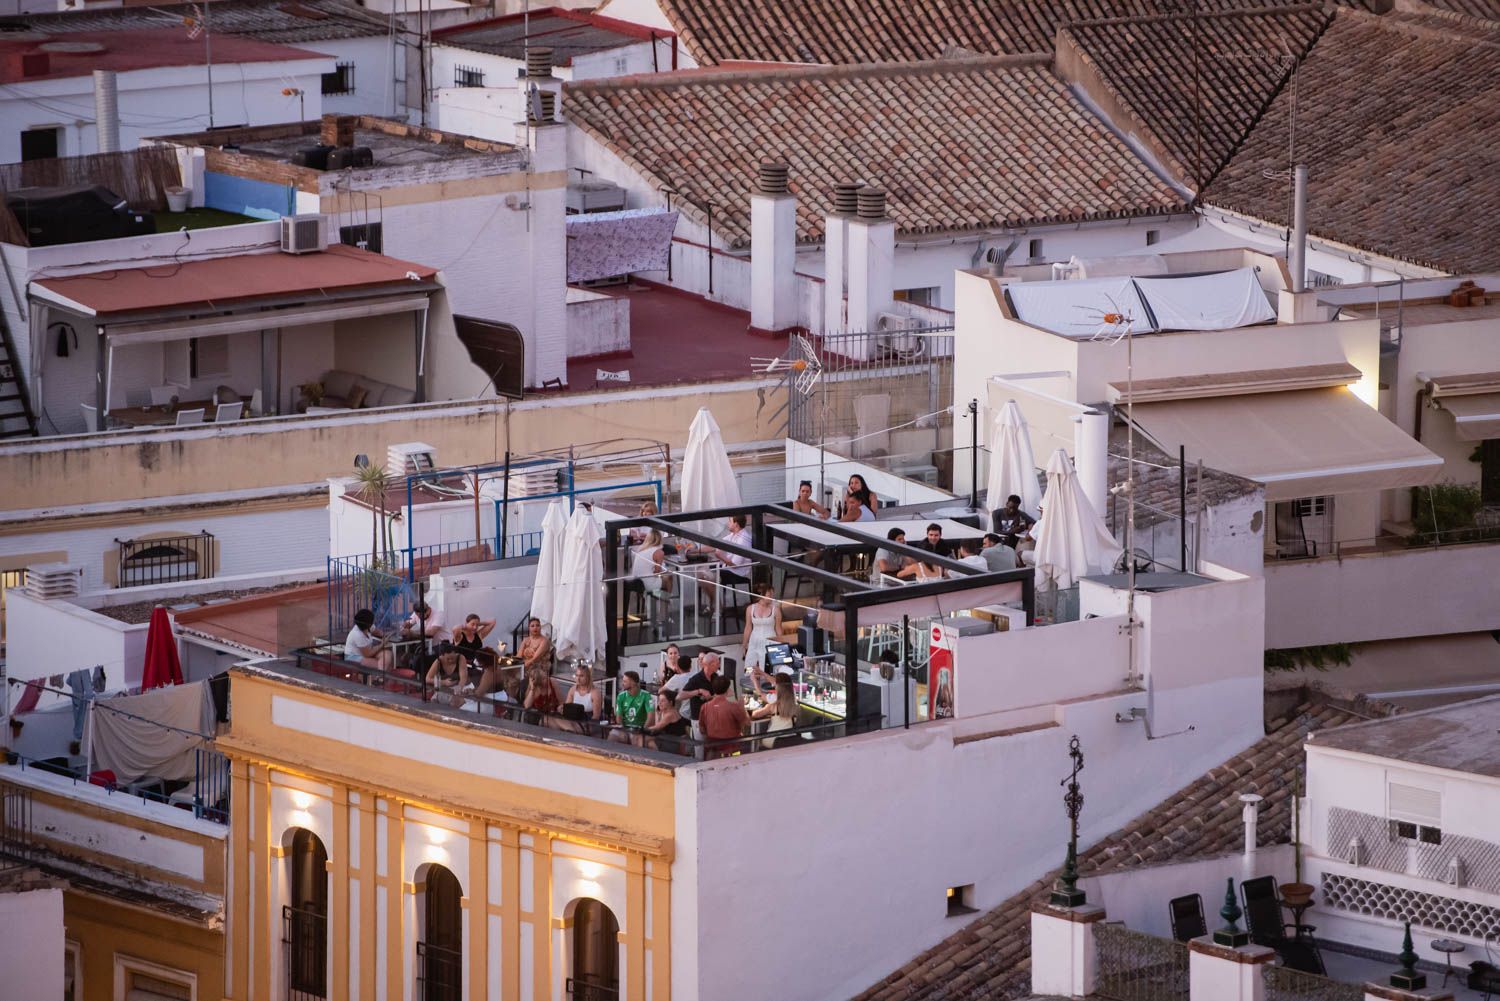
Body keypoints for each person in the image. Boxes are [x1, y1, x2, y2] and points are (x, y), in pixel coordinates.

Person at [741, 582, 782, 693]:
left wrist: (782, 645)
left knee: (766, 669)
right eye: (769, 594)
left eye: (772, 594)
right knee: (749, 665)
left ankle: (765, 692)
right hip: (754, 641)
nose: (771, 597)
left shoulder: (776, 609)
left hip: (770, 641)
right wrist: (744, 644)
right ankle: (749, 691)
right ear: (762, 595)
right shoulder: (750, 609)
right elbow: (748, 627)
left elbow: (778, 628)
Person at [698, 675, 750, 757]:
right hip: (731, 750)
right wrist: (742, 707)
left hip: (712, 751)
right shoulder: (733, 707)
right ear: (728, 689)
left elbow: (702, 730)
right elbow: (747, 723)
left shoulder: (704, 707)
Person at [750, 671, 799, 749]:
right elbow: (782, 684)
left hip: (772, 741)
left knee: (756, 741)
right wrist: (763, 673)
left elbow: (755, 714)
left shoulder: (773, 706)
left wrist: (755, 681)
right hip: (789, 741)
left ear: (777, 688)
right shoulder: (796, 707)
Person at [609, 670, 653, 746]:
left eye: (625, 681)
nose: (622, 684)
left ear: (633, 683)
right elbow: (618, 717)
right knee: (612, 736)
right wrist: (623, 730)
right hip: (624, 727)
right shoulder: (621, 696)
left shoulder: (646, 696)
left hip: (640, 728)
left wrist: (642, 731)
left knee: (641, 741)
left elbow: (651, 717)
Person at [676, 650, 722, 720]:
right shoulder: (696, 679)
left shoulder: (716, 676)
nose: (719, 666)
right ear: (710, 664)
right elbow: (680, 696)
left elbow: (728, 692)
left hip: (713, 716)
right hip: (699, 718)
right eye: (717, 663)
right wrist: (699, 691)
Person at [424, 641, 470, 708]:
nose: (450, 661)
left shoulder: (461, 658)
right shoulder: (438, 661)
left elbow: (463, 677)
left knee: (455, 702)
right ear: (442, 655)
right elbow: (427, 679)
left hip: (461, 687)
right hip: (445, 688)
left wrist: (459, 687)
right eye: (448, 659)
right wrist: (443, 682)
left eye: (453, 659)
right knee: (434, 701)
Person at [644, 689, 690, 753]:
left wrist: (643, 729)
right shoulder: (668, 711)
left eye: (663, 701)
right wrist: (659, 715)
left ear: (670, 703)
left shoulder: (670, 714)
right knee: (648, 738)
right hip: (670, 739)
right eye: (659, 700)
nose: (659, 703)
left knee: (648, 741)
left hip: (675, 743)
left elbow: (657, 727)